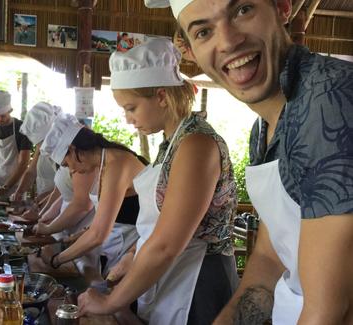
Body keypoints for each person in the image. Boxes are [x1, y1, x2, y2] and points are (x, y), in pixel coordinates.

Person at [155, 0, 353, 323]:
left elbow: (331, 311)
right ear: (192, 50)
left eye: (242, 10)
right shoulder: (262, 130)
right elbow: (268, 261)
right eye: (204, 31)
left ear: (282, 7)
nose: (229, 41)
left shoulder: (328, 100)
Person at [78, 38, 239, 324]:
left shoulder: (196, 143)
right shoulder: (171, 142)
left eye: (131, 108)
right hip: (174, 274)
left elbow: (166, 244)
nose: (128, 119)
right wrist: (132, 255)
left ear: (162, 96)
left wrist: (110, 301)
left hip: (199, 282)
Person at [40, 114, 145, 275]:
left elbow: (98, 235)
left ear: (73, 149)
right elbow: (105, 216)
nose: (72, 170)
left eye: (67, 164)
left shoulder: (116, 163)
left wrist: (56, 260)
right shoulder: (105, 162)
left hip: (134, 247)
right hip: (117, 245)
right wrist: (80, 234)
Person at [13, 102, 61, 202]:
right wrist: (20, 191)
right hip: (43, 203)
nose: (39, 146)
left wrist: (42, 199)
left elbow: (64, 188)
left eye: (41, 142)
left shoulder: (65, 151)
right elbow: (31, 172)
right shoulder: (42, 147)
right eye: (37, 143)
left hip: (59, 205)